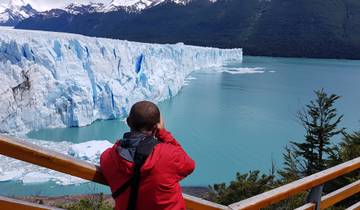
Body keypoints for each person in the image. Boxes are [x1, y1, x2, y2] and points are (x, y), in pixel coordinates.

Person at [100, 101, 195, 210]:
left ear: (128, 122)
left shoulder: (108, 158)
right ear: (156, 127)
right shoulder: (167, 155)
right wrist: (163, 133)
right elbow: (189, 165)